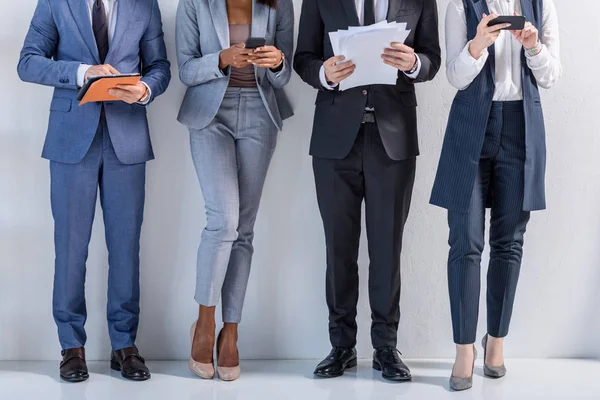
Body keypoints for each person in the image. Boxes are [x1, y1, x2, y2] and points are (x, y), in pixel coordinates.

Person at [17, 0, 170, 383]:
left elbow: (160, 68)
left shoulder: (144, 5)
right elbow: (28, 62)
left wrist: (146, 90)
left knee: (125, 247)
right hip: (71, 140)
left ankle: (124, 346)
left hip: (127, 138)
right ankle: (72, 346)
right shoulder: (54, 3)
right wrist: (84, 71)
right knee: (70, 246)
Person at [294, 0, 440, 382]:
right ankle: (341, 346)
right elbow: (303, 57)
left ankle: (385, 347)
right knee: (338, 247)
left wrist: (413, 64)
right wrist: (324, 72)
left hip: (393, 138)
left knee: (387, 248)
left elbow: (431, 59)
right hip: (333, 139)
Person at [430, 0, 561, 391]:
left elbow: (552, 76)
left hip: (522, 127)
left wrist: (534, 46)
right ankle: (464, 349)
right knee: (465, 243)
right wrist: (477, 45)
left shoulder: (542, 5)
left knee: (509, 243)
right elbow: (455, 76)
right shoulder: (459, 5)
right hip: (472, 125)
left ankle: (496, 343)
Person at [176, 0, 294, 381]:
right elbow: (186, 69)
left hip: (260, 115)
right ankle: (204, 324)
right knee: (222, 221)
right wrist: (222, 59)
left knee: (244, 229)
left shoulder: (279, 3)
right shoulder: (194, 3)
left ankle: (231, 332)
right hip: (211, 115)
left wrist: (275, 62)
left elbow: (284, 74)